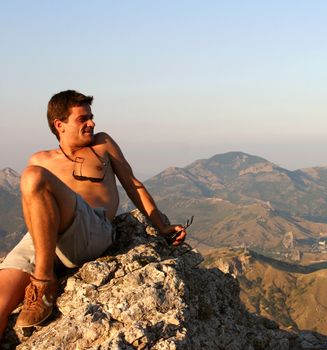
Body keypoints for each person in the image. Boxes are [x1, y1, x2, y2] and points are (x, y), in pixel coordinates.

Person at [0, 90, 187, 337]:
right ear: (60, 125)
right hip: (44, 238)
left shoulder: (102, 144)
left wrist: (161, 226)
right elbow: (33, 207)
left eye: (91, 117)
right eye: (82, 119)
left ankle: (44, 282)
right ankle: (40, 276)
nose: (92, 123)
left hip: (92, 230)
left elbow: (133, 185)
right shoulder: (41, 159)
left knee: (32, 176)